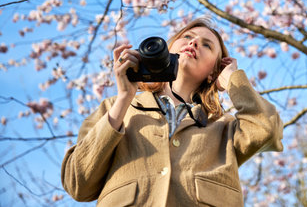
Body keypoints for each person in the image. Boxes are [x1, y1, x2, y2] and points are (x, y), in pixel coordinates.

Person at [61, 18, 283, 206]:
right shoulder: (114, 108)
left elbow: (268, 131)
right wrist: (123, 100)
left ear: (213, 72)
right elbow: (77, 183)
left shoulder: (224, 126)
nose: (194, 42)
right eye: (188, 37)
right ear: (167, 50)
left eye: (207, 45)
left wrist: (233, 81)